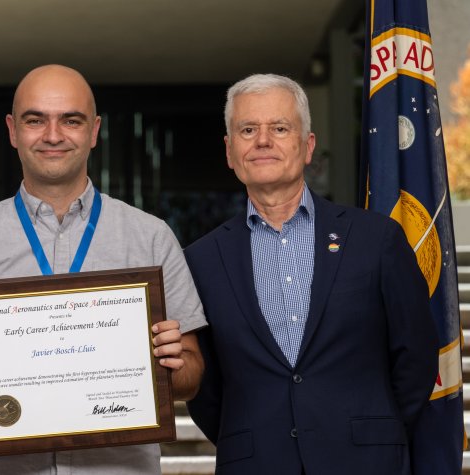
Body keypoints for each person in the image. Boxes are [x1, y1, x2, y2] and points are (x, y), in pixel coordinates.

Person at [0, 64, 207, 474]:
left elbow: (193, 374)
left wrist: (168, 363)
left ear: (94, 131)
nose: (53, 135)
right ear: (12, 130)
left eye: (71, 120)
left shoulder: (152, 238)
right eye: (35, 120)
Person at [184, 74, 439, 474]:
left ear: (307, 146)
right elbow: (205, 385)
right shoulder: (200, 260)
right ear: (230, 151)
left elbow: (416, 355)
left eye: (280, 128)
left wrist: (369, 428)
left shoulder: (376, 239)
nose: (263, 141)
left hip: (366, 461)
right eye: (248, 130)